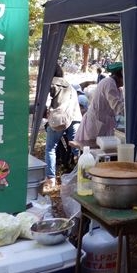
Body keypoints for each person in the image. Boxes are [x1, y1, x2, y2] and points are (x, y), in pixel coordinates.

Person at [43, 64, 82, 192]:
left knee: (50, 149)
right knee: (77, 149)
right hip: (75, 118)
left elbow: (45, 104)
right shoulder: (70, 87)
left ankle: (51, 179)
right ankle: (81, 177)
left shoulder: (51, 85)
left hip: (57, 121)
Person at [76, 62, 125, 141]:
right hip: (96, 123)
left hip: (105, 124)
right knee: (93, 148)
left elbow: (122, 105)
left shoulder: (118, 88)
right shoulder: (109, 83)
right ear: (120, 77)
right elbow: (117, 106)